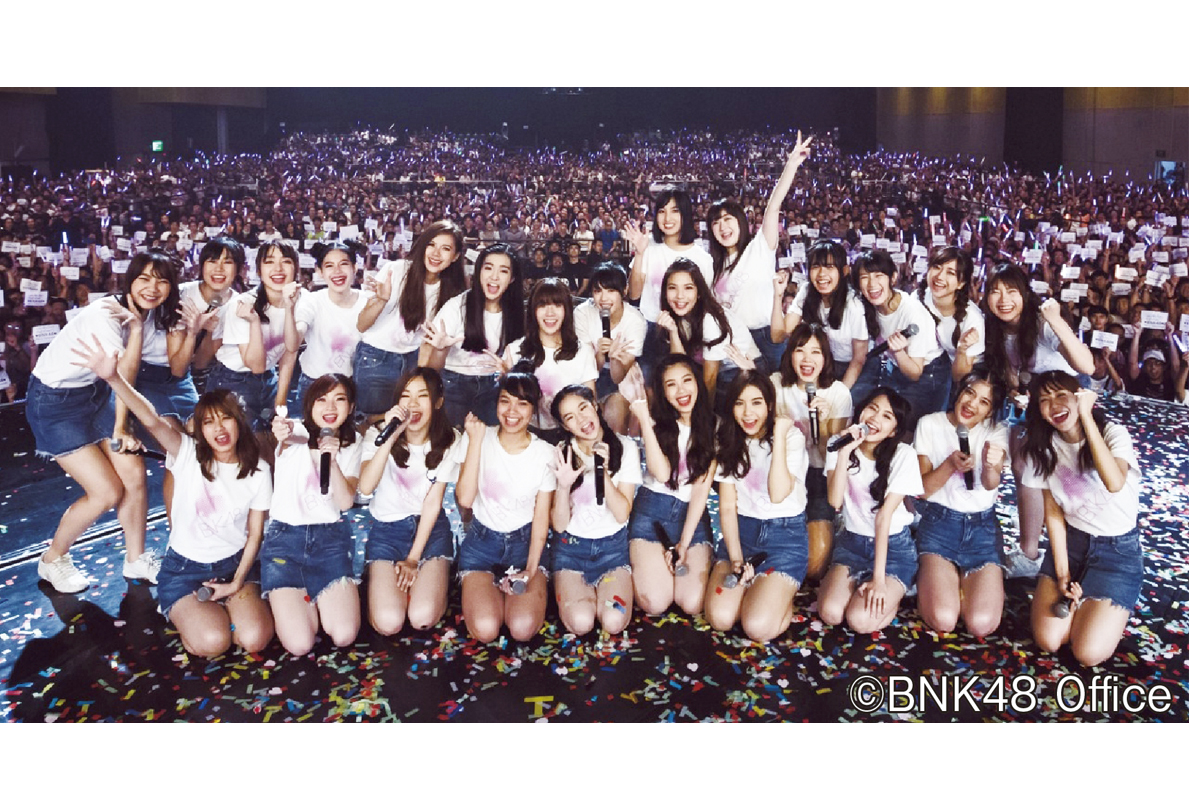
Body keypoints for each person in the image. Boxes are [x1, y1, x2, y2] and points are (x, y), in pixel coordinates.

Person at [74, 337, 273, 656]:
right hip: (186, 570)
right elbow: (151, 419)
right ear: (200, 430)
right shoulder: (187, 453)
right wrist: (114, 378)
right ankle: (194, 614)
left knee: (253, 639)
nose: (219, 429)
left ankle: (224, 607)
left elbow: (254, 536)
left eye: (226, 418)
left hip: (236, 564)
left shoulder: (259, 470)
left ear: (239, 422)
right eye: (209, 422)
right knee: (214, 642)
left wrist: (237, 582)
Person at [25, 252, 173, 592]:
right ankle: (52, 559)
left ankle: (136, 558)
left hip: (97, 393)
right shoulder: (106, 314)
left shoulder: (148, 313)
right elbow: (122, 374)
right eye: (145, 279)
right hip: (56, 403)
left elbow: (120, 380)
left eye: (162, 281)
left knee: (133, 474)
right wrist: (121, 427)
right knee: (106, 491)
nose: (153, 288)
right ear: (129, 280)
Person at [1022, 371, 1143, 667]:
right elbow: (1053, 514)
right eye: (1044, 400)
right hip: (1073, 544)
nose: (1054, 405)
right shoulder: (1042, 447)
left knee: (1087, 653)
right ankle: (1082, 605)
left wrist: (1086, 417)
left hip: (1117, 554)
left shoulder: (1113, 433)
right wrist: (1063, 574)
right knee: (1049, 640)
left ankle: (1100, 609)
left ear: (1079, 397)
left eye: (1061, 395)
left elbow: (1114, 482)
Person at [981, 263, 1094, 578]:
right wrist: (1016, 390)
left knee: (1048, 468)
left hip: (1064, 406)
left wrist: (1056, 319)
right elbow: (1011, 372)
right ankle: (1030, 550)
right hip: (1030, 406)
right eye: (995, 292)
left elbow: (1087, 365)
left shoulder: (1042, 325)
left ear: (1025, 294)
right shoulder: (995, 329)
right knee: (1021, 467)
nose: (1003, 299)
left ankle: (1050, 551)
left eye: (1011, 291)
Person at [704, 371, 809, 642]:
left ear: (770, 405)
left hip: (784, 539)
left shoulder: (791, 438)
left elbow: (777, 494)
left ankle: (778, 596)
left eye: (756, 403)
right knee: (721, 618)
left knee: (756, 627)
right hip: (742, 534)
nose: (747, 413)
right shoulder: (727, 440)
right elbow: (727, 507)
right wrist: (737, 560)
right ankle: (760, 592)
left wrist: (780, 434)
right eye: (739, 403)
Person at [453, 370, 556, 643]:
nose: (512, 411)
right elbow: (465, 499)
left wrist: (530, 570)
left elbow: (541, 520)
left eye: (522, 404)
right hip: (481, 544)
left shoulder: (545, 454)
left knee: (522, 628)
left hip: (524, 545)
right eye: (505, 401)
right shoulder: (478, 436)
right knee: (486, 628)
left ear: (533, 409)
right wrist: (475, 442)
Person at [265, 374, 362, 656]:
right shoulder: (297, 431)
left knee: (344, 635)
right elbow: (289, 434)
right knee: (300, 644)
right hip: (285, 542)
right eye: (322, 399)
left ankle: (318, 603)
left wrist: (331, 460)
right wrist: (282, 429)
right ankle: (295, 602)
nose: (330, 407)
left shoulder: (354, 442)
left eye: (339, 399)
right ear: (310, 405)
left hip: (330, 541)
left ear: (351, 407)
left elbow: (345, 501)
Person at [358, 368, 460, 635]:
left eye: (422, 396)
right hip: (387, 532)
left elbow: (433, 502)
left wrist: (414, 559)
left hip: (431, 531)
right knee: (389, 622)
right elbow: (365, 487)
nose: (413, 404)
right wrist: (390, 436)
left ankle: (437, 578)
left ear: (437, 402)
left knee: (421, 617)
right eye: (406, 396)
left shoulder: (450, 440)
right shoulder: (377, 434)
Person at [818, 388, 922, 634]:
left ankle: (895, 592)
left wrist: (878, 580)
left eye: (887, 416)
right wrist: (845, 452)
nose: (875, 418)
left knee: (859, 621)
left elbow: (884, 518)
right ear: (861, 412)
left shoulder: (904, 455)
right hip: (852, 543)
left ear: (893, 431)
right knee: (831, 613)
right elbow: (835, 502)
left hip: (893, 548)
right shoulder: (838, 444)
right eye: (872, 409)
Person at [913, 371, 1008, 637]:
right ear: (959, 392)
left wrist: (990, 465)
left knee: (981, 624)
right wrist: (949, 465)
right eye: (969, 393)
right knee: (943, 619)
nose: (972, 404)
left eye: (984, 402)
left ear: (990, 412)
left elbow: (990, 483)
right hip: (938, 525)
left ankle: (967, 588)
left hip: (983, 530)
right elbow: (923, 491)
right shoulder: (929, 424)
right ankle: (942, 585)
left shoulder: (997, 431)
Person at [709, 131, 812, 372]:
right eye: (716, 222)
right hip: (737, 341)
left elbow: (773, 205)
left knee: (779, 388)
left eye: (728, 219)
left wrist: (791, 164)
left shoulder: (759, 247)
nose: (723, 227)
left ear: (740, 221)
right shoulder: (713, 265)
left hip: (769, 336)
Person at [621, 355, 716, 616]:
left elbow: (701, 491)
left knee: (692, 603)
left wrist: (684, 543)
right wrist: (644, 418)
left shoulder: (714, 426)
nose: (681, 391)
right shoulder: (656, 423)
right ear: (663, 392)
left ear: (698, 382)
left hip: (692, 517)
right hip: (651, 514)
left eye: (687, 380)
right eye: (671, 385)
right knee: (655, 602)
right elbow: (662, 473)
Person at [548, 384, 641, 636]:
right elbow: (559, 525)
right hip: (570, 551)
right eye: (570, 417)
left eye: (583, 408)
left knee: (613, 619)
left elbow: (621, 514)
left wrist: (603, 471)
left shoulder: (626, 448)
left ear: (595, 406)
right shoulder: (561, 454)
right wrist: (563, 486)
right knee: (581, 622)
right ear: (565, 426)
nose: (581, 420)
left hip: (612, 552)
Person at [354, 221, 466, 422]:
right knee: (373, 424)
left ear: (456, 256)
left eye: (445, 248)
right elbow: (361, 325)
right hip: (376, 358)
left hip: (413, 360)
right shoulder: (395, 270)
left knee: (407, 423)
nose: (436, 253)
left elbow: (427, 341)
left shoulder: (451, 290)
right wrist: (381, 300)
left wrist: (420, 375)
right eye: (431, 244)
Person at [771, 322, 853, 580]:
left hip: (819, 474)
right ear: (790, 355)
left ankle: (832, 524)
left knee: (814, 567)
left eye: (816, 352)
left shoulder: (838, 393)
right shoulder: (776, 384)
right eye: (800, 350)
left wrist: (824, 422)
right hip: (784, 471)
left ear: (825, 358)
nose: (807, 359)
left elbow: (831, 456)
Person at [421, 244, 524, 428]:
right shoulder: (457, 306)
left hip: (493, 387)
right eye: (488, 268)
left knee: (490, 439)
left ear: (512, 278)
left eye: (503, 271)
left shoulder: (516, 313)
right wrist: (440, 349)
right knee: (451, 438)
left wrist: (509, 372)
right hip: (453, 384)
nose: (494, 276)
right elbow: (432, 369)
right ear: (479, 272)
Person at [207, 241, 301, 439]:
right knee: (247, 444)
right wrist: (254, 322)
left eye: (286, 261)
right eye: (269, 262)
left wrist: (280, 403)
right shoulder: (243, 304)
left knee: (277, 439)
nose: (278, 269)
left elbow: (289, 353)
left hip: (269, 378)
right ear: (259, 270)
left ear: (296, 268)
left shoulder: (301, 302)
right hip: (233, 379)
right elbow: (256, 365)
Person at [850, 250, 947, 431]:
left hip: (927, 372)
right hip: (893, 366)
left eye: (878, 275)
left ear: (893, 277)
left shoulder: (913, 314)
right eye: (864, 277)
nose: (872, 284)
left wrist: (899, 352)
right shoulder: (866, 306)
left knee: (899, 426)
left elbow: (915, 373)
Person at [624, 190, 714, 382]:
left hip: (687, 331)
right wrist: (639, 253)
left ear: (685, 215)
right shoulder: (648, 246)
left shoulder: (702, 258)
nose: (667, 218)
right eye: (662, 211)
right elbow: (634, 294)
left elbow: (705, 304)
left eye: (675, 211)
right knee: (650, 385)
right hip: (651, 327)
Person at [656, 259, 759, 411]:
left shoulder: (709, 320)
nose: (680, 296)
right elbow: (681, 366)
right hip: (711, 369)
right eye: (673, 288)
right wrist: (673, 331)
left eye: (688, 288)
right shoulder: (675, 316)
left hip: (741, 368)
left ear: (699, 293)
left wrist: (703, 416)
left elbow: (710, 379)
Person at [503, 278, 598, 439]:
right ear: (533, 310)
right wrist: (505, 380)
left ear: (566, 310)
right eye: (542, 305)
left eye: (557, 305)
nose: (550, 313)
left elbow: (590, 403)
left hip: (570, 434)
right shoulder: (515, 351)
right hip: (525, 434)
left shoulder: (583, 351)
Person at [773, 239, 868, 387]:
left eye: (829, 267)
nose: (822, 274)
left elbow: (858, 359)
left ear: (844, 271)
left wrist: (838, 394)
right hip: (823, 362)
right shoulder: (806, 291)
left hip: (854, 366)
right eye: (816, 266)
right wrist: (778, 296)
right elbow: (778, 336)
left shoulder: (854, 305)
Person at [288, 240, 368, 406]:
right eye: (329, 266)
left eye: (343, 264)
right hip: (314, 384)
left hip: (353, 385)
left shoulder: (369, 301)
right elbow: (293, 343)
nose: (337, 271)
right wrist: (289, 309)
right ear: (320, 271)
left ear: (354, 268)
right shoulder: (312, 301)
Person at [573, 263, 647, 434]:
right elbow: (586, 367)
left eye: (611, 290)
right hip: (588, 372)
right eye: (598, 291)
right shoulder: (582, 313)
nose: (604, 298)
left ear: (624, 290)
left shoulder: (636, 321)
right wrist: (600, 353)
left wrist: (614, 358)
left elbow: (618, 377)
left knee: (614, 422)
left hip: (622, 377)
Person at [917, 246, 985, 384]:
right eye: (936, 267)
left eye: (950, 273)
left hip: (969, 372)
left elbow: (960, 377)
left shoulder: (973, 319)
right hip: (938, 365)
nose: (939, 276)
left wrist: (962, 349)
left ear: (961, 284)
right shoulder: (921, 297)